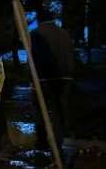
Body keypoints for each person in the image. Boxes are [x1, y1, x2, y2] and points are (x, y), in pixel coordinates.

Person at [29, 17, 76, 154]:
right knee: (59, 110)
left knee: (40, 109)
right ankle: (58, 142)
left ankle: (42, 141)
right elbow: (70, 55)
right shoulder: (64, 33)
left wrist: (32, 78)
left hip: (43, 78)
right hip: (64, 77)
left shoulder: (36, 33)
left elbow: (33, 57)